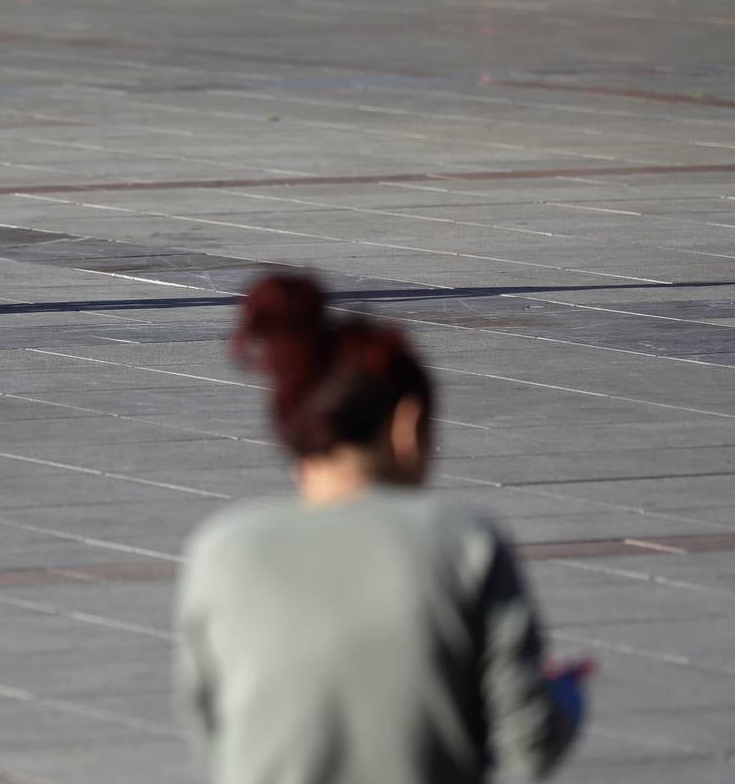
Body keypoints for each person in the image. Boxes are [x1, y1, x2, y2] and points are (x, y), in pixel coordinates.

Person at [174, 274, 591, 784]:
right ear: (407, 425)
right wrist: (567, 698)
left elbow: (213, 733)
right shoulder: (462, 545)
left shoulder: (221, 550)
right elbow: (530, 742)